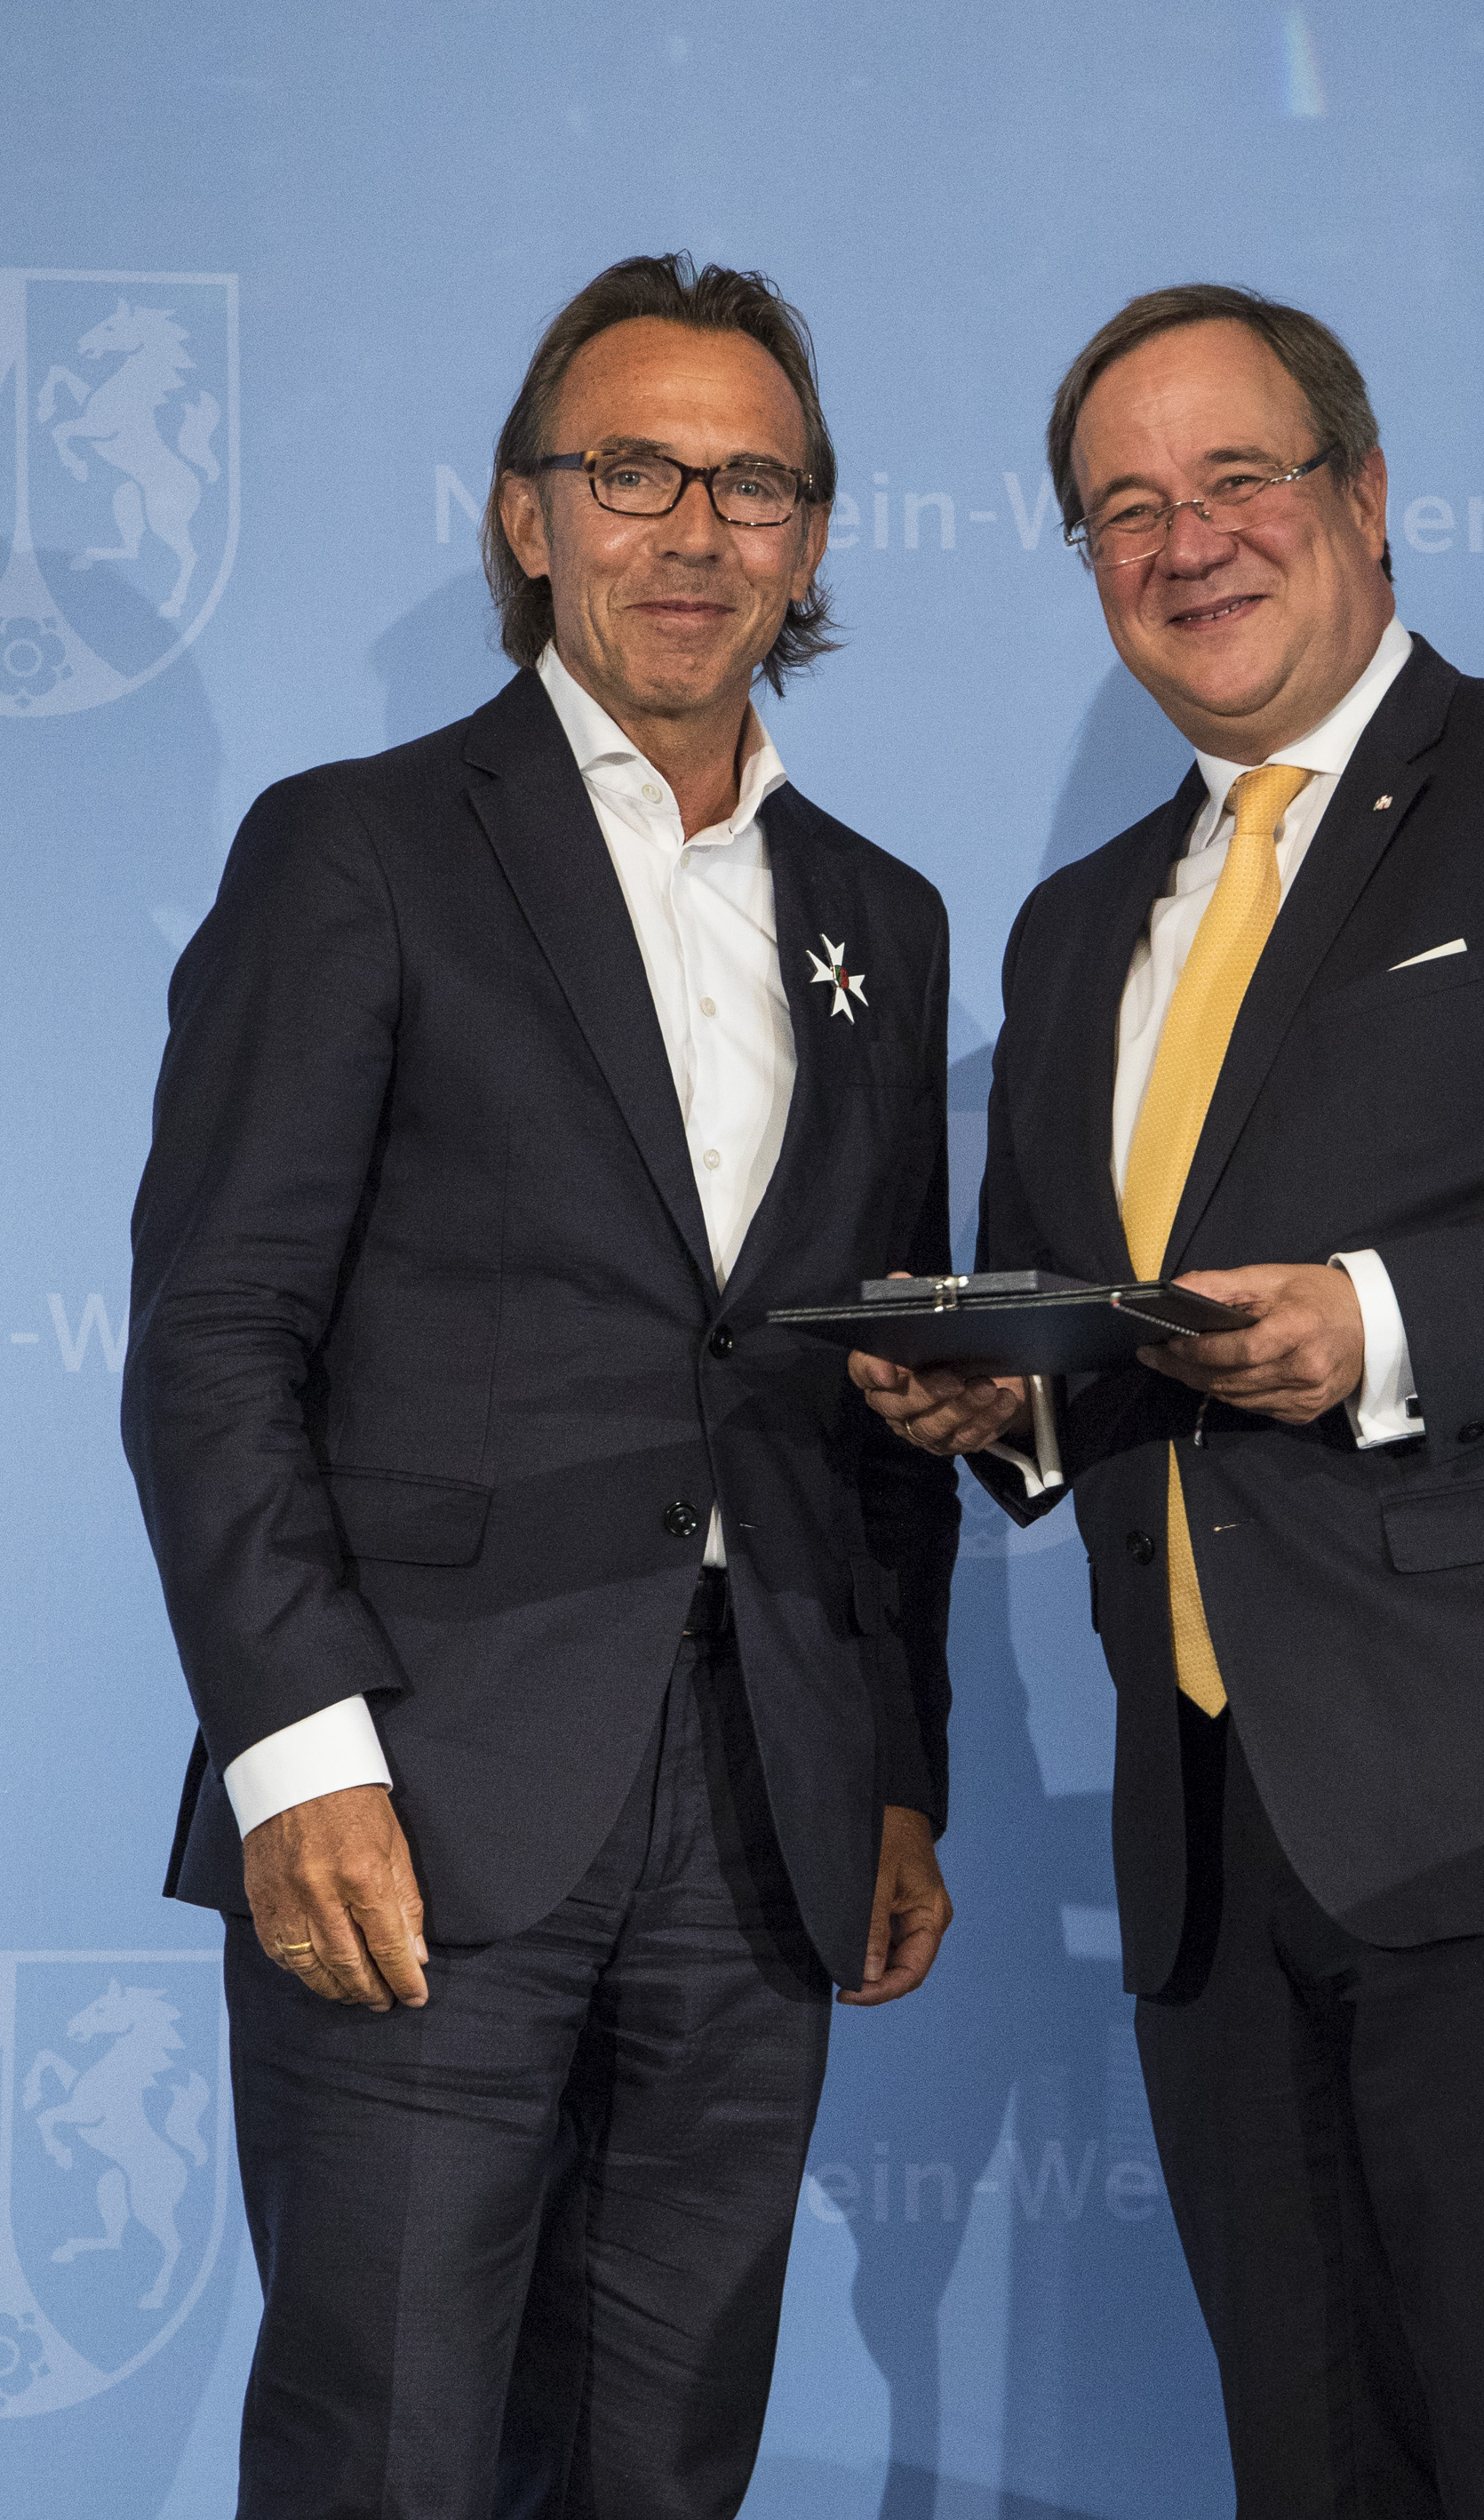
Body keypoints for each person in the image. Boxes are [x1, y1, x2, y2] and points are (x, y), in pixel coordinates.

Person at [851, 284, 1484, 2519]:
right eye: (1124, 508)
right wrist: (989, 1404)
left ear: (1367, 497)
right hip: (1216, 1847)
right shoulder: (1072, 926)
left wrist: (1378, 1319)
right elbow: (1088, 1318)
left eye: (1237, 478)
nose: (1185, 540)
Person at [124, 252, 959, 2520]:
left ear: (810, 537)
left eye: (752, 483)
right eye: (633, 470)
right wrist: (298, 1750)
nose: (694, 529)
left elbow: (873, 1379)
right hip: (422, 1791)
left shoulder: (880, 916)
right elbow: (215, 1331)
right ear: (526, 513)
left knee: (662, 2465)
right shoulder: (359, 847)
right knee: (389, 2460)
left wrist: (895, 1770)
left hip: (768, 1807)